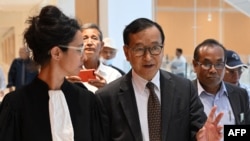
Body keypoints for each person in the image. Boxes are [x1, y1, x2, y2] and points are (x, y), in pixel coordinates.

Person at [95, 18, 223, 141]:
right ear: (127, 52)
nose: (148, 57)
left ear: (162, 49)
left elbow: (198, 133)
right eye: (139, 49)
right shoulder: (107, 97)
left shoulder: (185, 89)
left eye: (155, 48)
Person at [0, 5, 100, 141]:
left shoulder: (87, 101)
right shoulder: (15, 105)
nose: (84, 57)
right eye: (78, 49)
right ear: (56, 53)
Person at [192, 39, 250, 141]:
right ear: (195, 65)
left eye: (219, 64)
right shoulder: (183, 95)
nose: (213, 70)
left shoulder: (240, 94)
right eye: (207, 64)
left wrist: (225, 134)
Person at [68, 23, 122, 93]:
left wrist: (106, 90)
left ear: (102, 45)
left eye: (94, 38)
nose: (89, 42)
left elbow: (119, 102)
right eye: (85, 38)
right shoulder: (69, 74)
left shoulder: (114, 75)